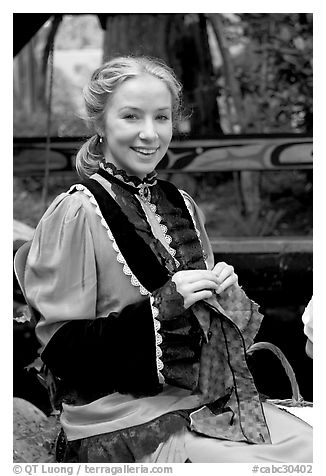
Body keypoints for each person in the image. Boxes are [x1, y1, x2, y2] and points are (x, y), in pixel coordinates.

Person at [23, 56, 312, 463]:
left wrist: (222, 296)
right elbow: (63, 350)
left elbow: (206, 332)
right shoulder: (77, 212)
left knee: (313, 448)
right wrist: (162, 306)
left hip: (198, 403)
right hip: (118, 419)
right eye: (130, 117)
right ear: (100, 125)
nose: (149, 134)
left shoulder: (182, 205)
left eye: (161, 117)